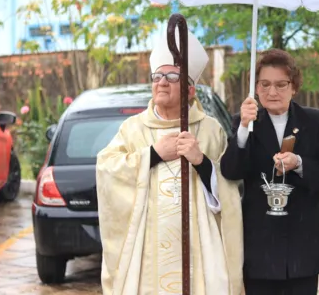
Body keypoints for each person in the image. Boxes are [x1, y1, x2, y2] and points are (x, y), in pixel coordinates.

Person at [96, 29, 243, 295]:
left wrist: (202, 161)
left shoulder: (209, 130)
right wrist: (151, 155)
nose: (162, 82)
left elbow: (230, 189)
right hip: (147, 257)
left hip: (199, 254)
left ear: (190, 89)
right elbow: (106, 169)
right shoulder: (133, 129)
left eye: (172, 76)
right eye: (157, 76)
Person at [220, 49, 319, 295]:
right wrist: (242, 129)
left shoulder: (317, 122)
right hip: (259, 241)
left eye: (281, 85)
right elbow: (231, 171)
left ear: (294, 87)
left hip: (303, 241)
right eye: (265, 84)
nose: (272, 92)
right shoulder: (242, 122)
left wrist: (300, 163)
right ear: (256, 88)